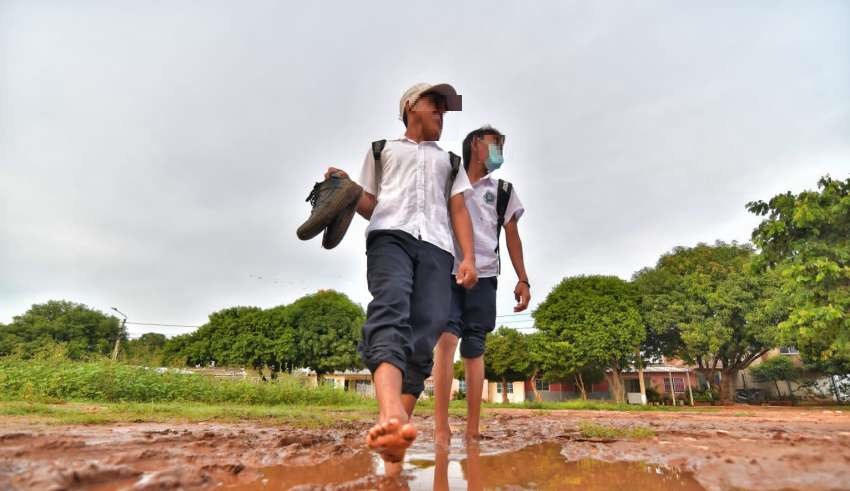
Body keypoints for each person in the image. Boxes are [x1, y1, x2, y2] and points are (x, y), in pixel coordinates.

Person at [325, 83, 478, 474]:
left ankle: (394, 440)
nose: (443, 115)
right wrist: (344, 187)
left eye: (446, 110)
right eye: (436, 107)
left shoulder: (450, 162)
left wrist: (469, 258)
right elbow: (370, 204)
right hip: (389, 236)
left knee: (426, 331)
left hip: (438, 248)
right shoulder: (383, 150)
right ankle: (391, 413)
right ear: (412, 107)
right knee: (391, 305)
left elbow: (458, 209)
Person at [432, 125, 530, 447]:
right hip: (448, 272)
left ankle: (472, 428)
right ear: (476, 145)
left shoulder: (502, 190)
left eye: (502, 145)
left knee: (474, 347)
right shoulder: (448, 178)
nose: (500, 150)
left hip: (485, 276)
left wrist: (523, 278)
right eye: (495, 144)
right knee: (446, 341)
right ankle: (441, 427)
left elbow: (512, 235)